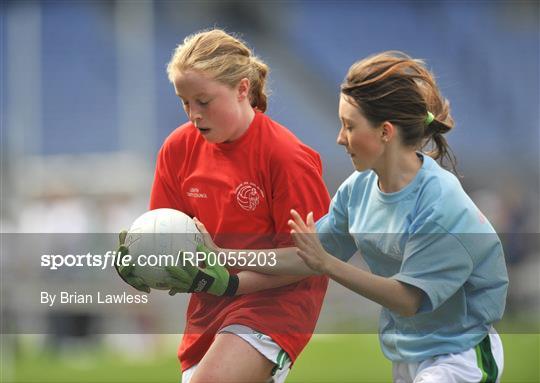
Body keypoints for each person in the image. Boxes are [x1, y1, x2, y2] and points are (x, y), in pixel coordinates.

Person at [190, 51, 509, 383]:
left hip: (462, 355)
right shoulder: (358, 189)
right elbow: (306, 256)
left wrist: (327, 264)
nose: (340, 138)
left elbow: (407, 300)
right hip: (408, 356)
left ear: (385, 132)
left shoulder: (441, 205)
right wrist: (225, 259)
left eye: (349, 126)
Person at [117, 28, 331, 383]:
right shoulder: (177, 149)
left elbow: (311, 260)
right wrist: (145, 261)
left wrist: (228, 267)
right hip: (209, 307)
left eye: (204, 101)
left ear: (242, 89)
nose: (193, 115)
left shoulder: (287, 157)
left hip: (276, 303)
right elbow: (173, 241)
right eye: (184, 102)